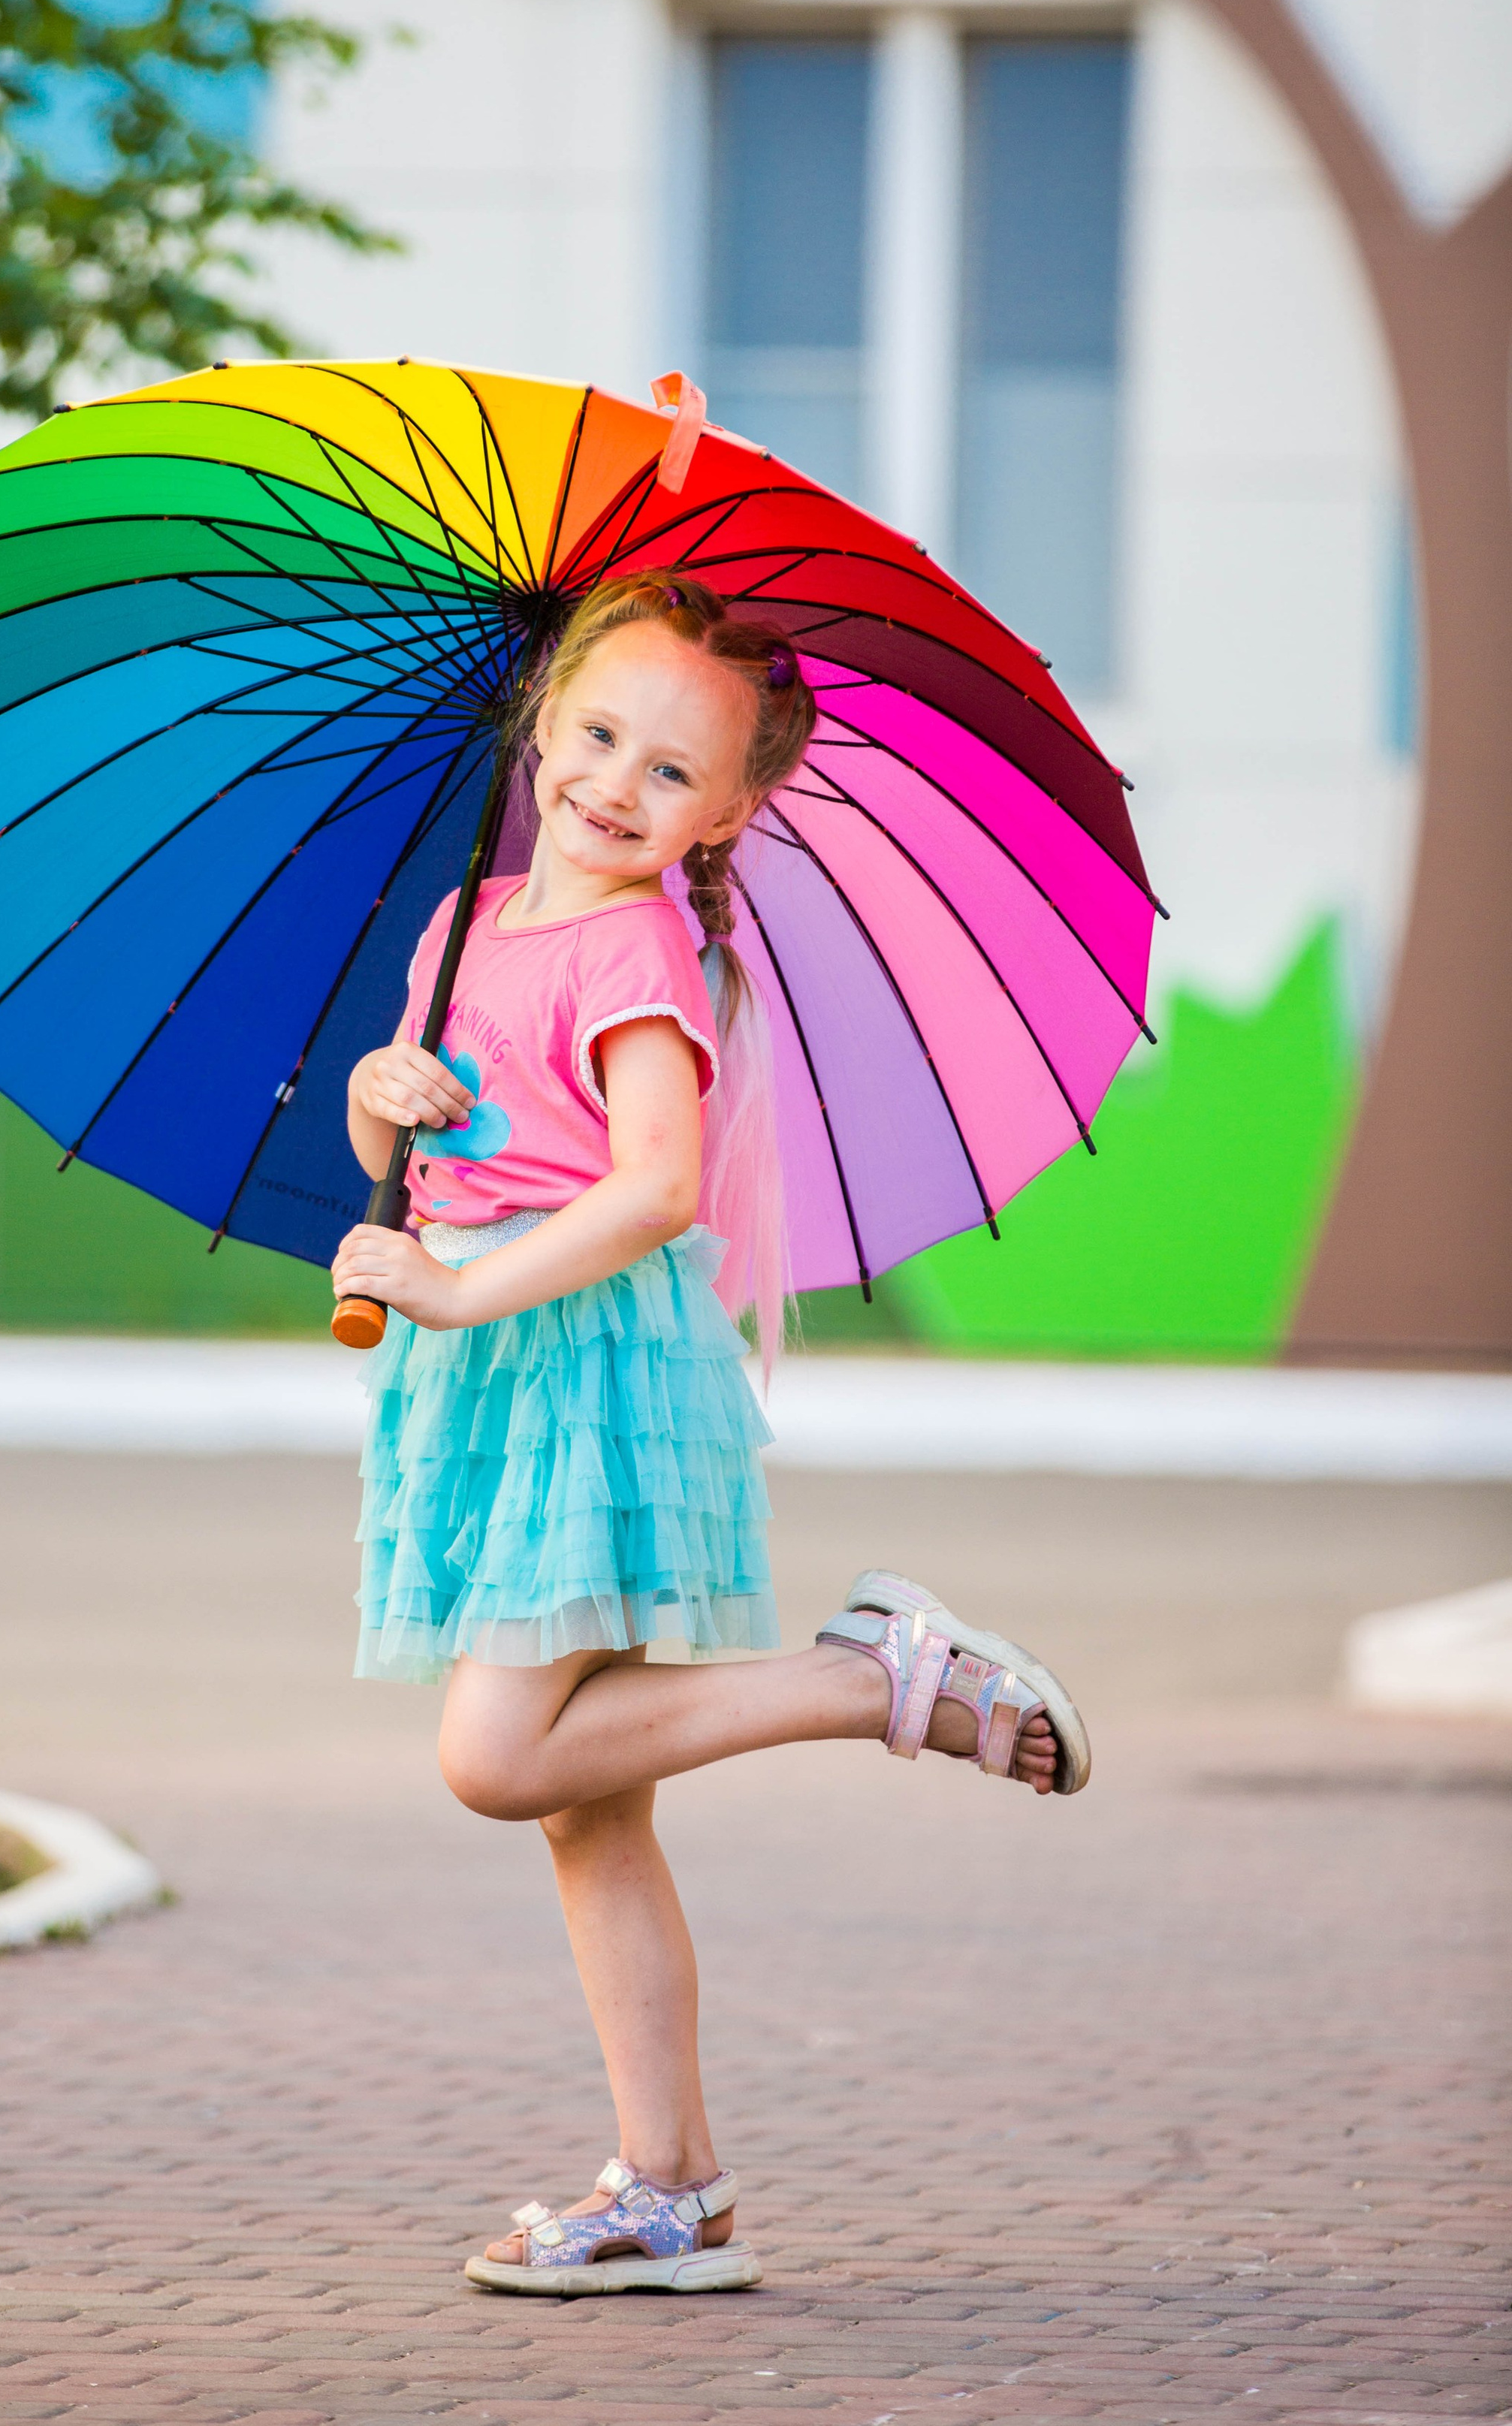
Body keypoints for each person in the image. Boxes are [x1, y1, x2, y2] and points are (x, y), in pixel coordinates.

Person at [331, 570, 1089, 2299]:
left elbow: (653, 1179)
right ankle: (669, 2184)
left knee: (498, 1754)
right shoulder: (471, 920)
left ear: (730, 810)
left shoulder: (633, 939)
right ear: (540, 719)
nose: (613, 782)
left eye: (670, 770)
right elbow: (471, 1113)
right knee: (587, 1813)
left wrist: (456, 1293)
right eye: (596, 734)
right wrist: (394, 1096)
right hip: (484, 1368)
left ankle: (868, 1672)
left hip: (576, 1366)